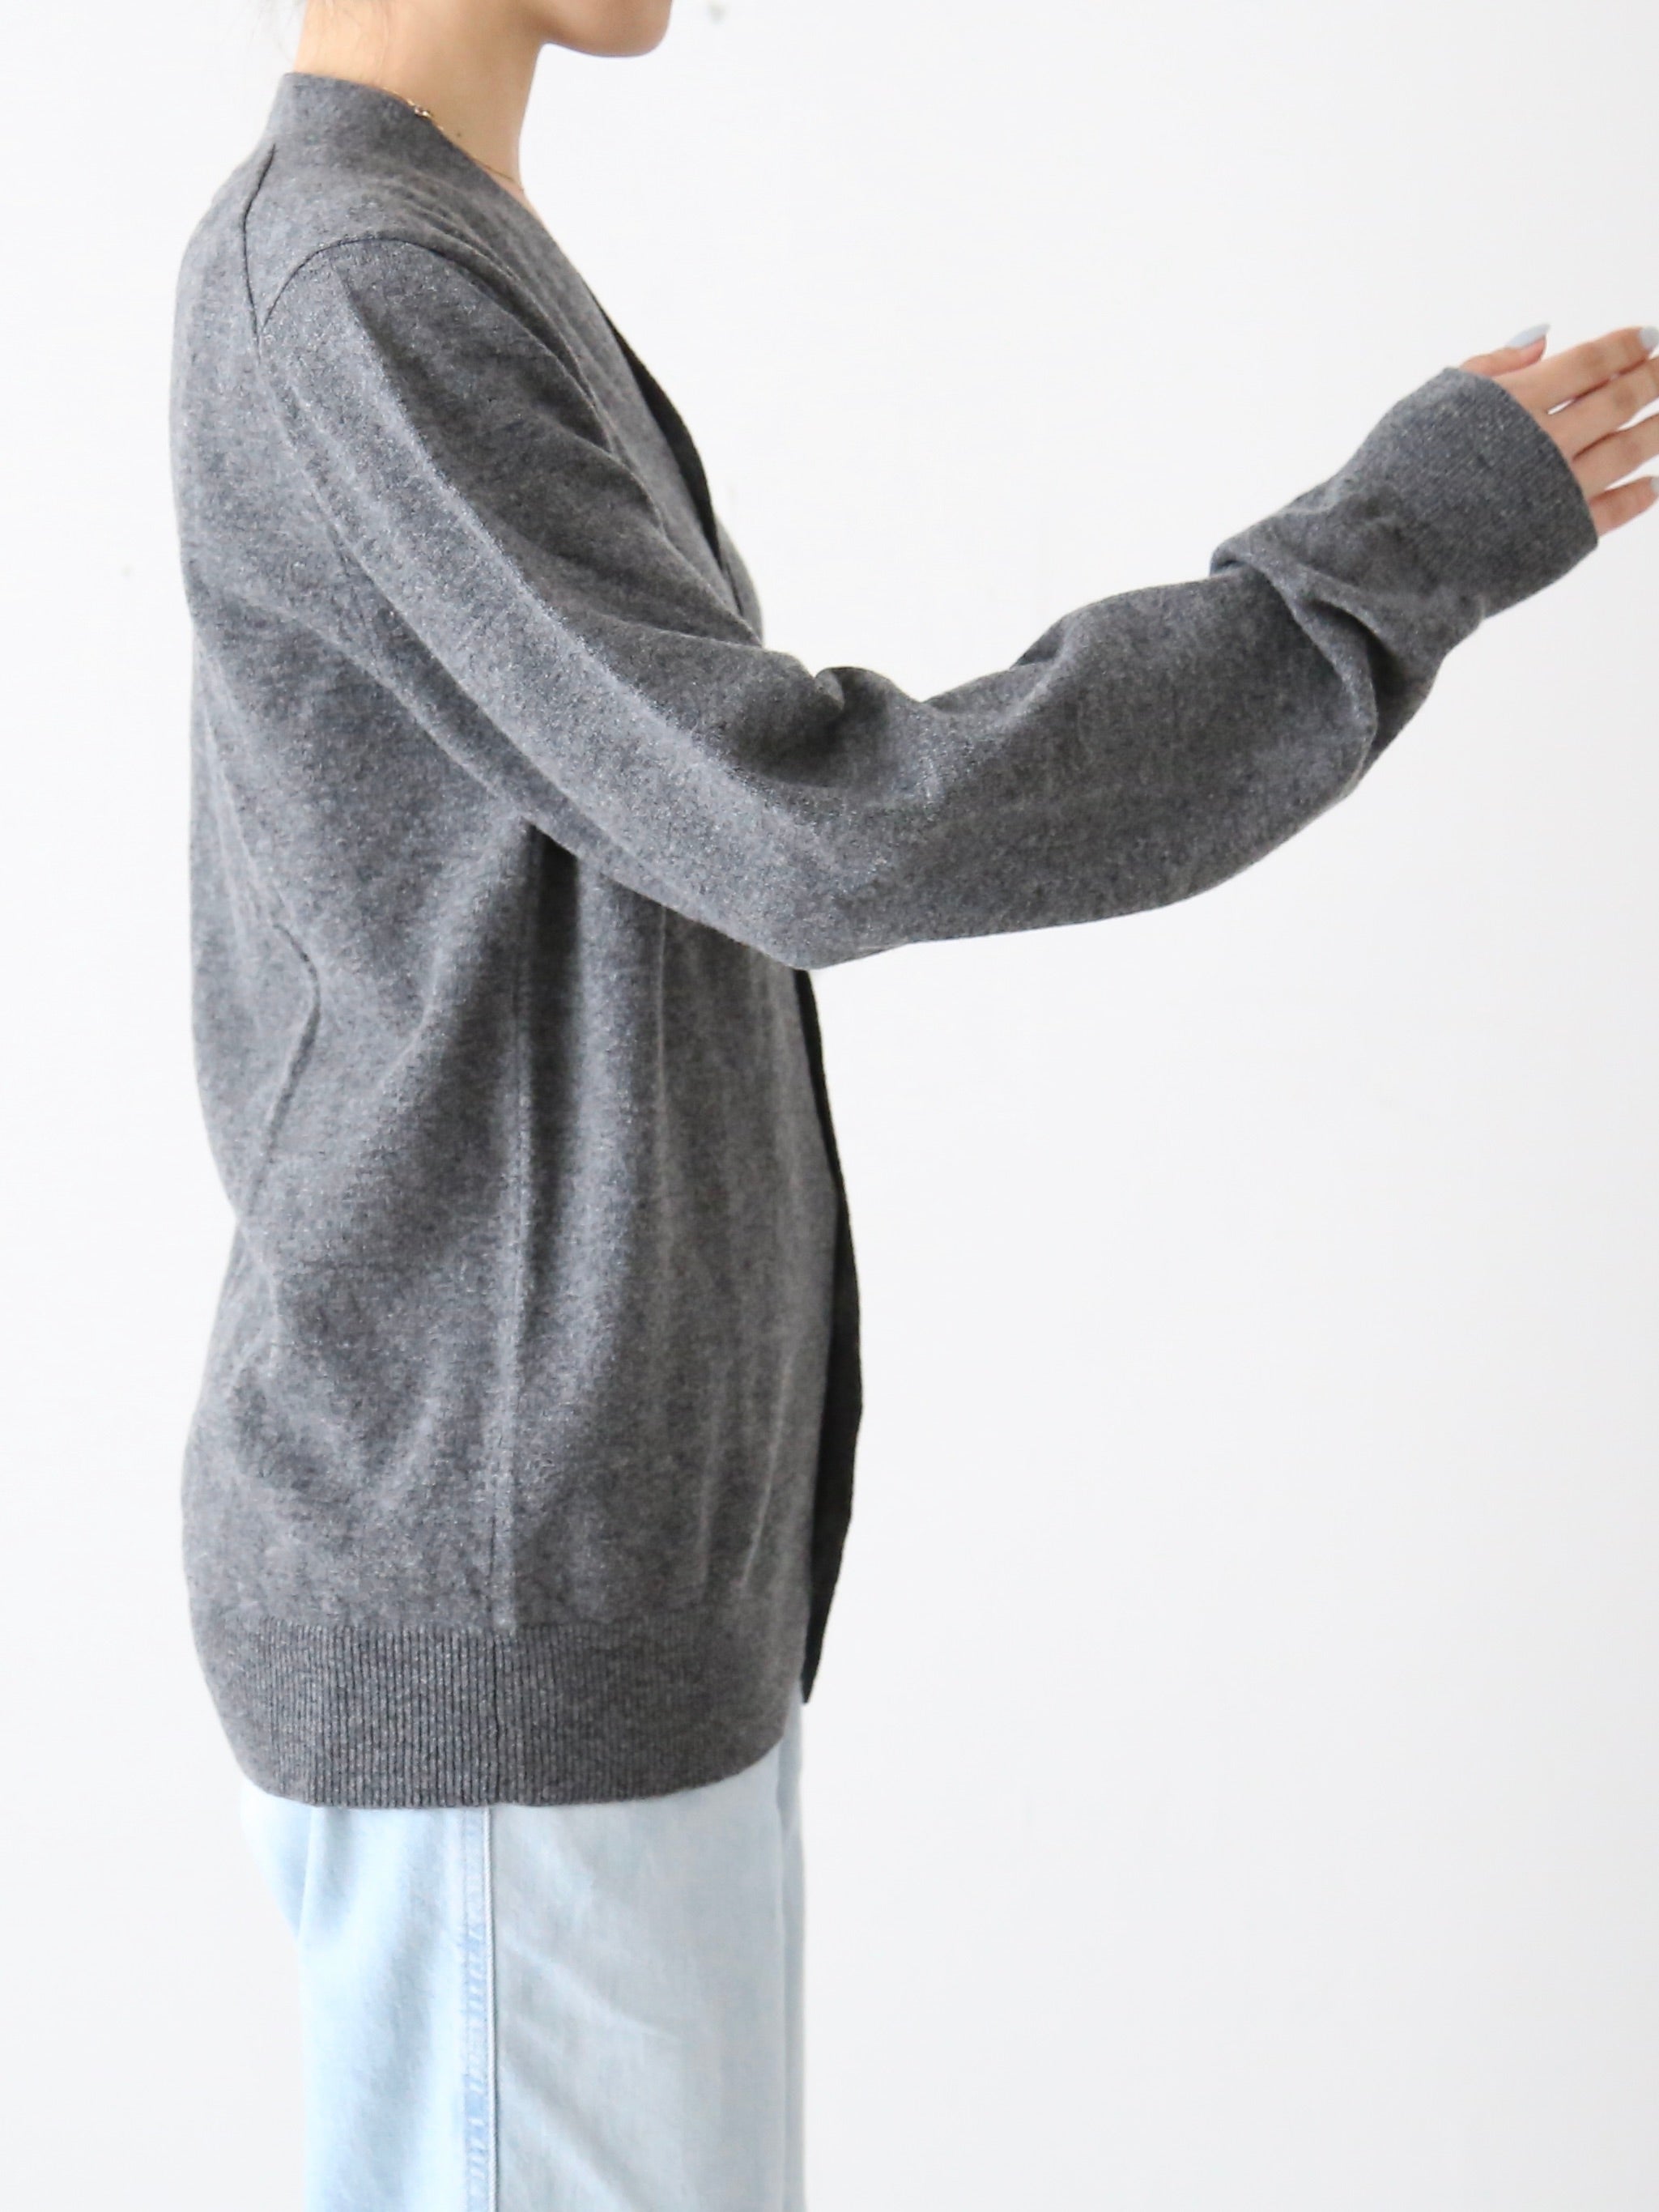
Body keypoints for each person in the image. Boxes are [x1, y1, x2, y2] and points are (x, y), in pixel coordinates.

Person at [167, 0, 1655, 2203]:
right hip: (510, 1602)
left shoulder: (423, 248)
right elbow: (809, 828)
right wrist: (1364, 575)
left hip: (576, 1590)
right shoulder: (359, 282)